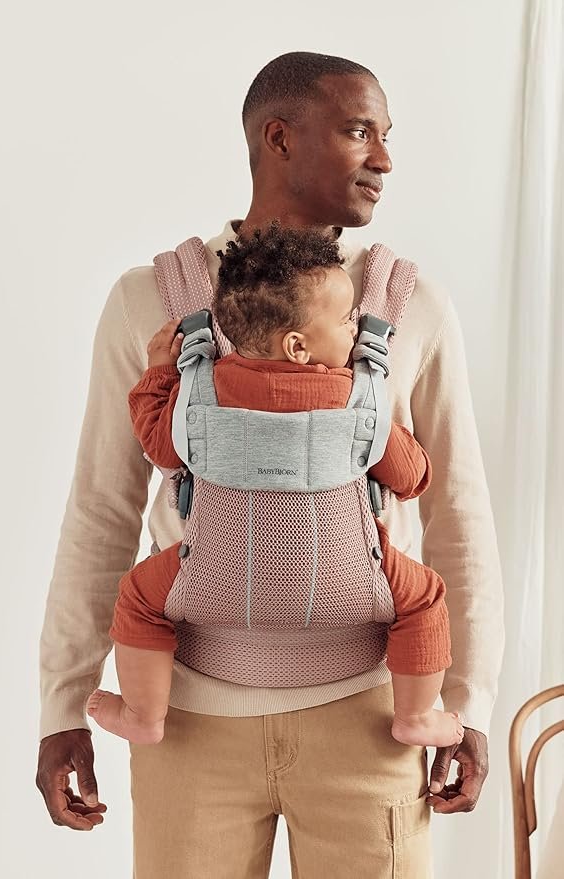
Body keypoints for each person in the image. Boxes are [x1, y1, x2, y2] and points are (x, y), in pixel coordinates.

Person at [37, 51, 504, 876]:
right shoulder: (150, 301)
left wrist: (467, 703)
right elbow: (102, 509)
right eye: (359, 131)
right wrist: (61, 704)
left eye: (386, 135)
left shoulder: (410, 307)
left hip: (369, 719)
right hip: (188, 725)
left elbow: (458, 512)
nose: (385, 159)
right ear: (279, 138)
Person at [86, 224, 462, 750]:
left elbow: (161, 448)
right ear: (298, 347)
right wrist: (399, 451)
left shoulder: (201, 392)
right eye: (346, 319)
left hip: (211, 582)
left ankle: (144, 715)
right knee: (425, 599)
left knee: (137, 598)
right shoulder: (359, 401)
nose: (355, 329)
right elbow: (412, 479)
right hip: (349, 586)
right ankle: (417, 716)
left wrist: (159, 374)